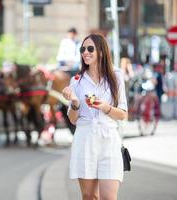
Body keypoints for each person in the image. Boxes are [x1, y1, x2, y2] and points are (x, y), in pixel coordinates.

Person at [62, 33, 128, 200]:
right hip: (85, 140)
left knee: (109, 198)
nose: (86, 52)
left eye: (90, 48)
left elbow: (123, 114)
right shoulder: (76, 81)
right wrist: (75, 102)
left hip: (109, 142)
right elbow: (72, 119)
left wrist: (104, 107)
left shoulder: (116, 77)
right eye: (83, 49)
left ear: (101, 51)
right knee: (90, 196)